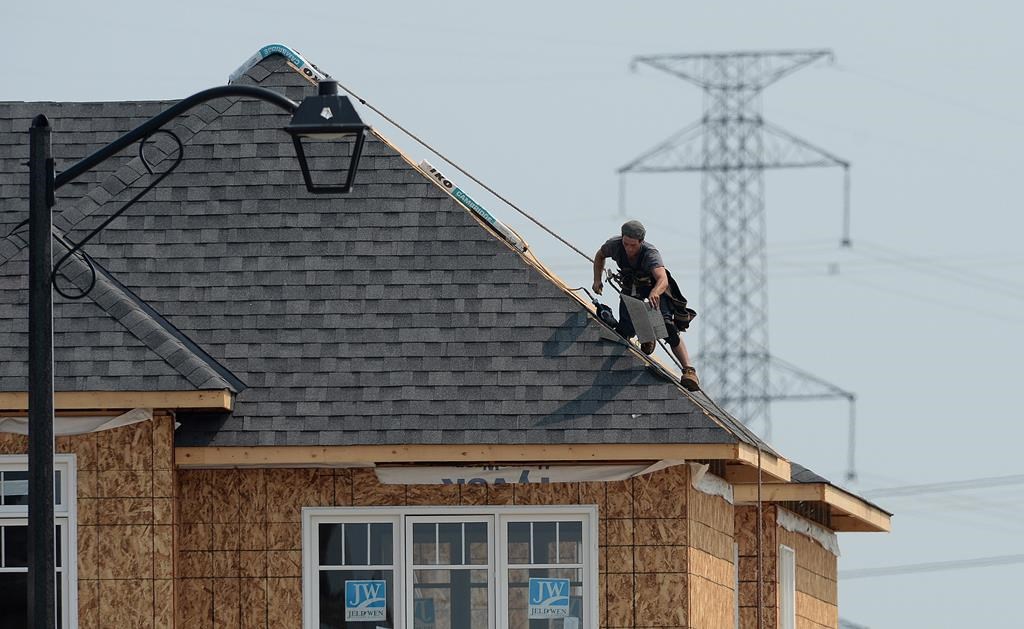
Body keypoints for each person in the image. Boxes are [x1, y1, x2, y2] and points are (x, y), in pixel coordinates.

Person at [592, 220, 700, 391]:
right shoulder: (614, 245)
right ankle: (646, 336)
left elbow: (662, 279)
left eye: (632, 245)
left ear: (641, 242)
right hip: (631, 288)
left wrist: (655, 292)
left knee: (667, 328)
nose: (628, 248)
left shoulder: (650, 254)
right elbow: (600, 256)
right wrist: (597, 279)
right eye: (625, 243)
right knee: (625, 331)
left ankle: (689, 370)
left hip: (654, 288)